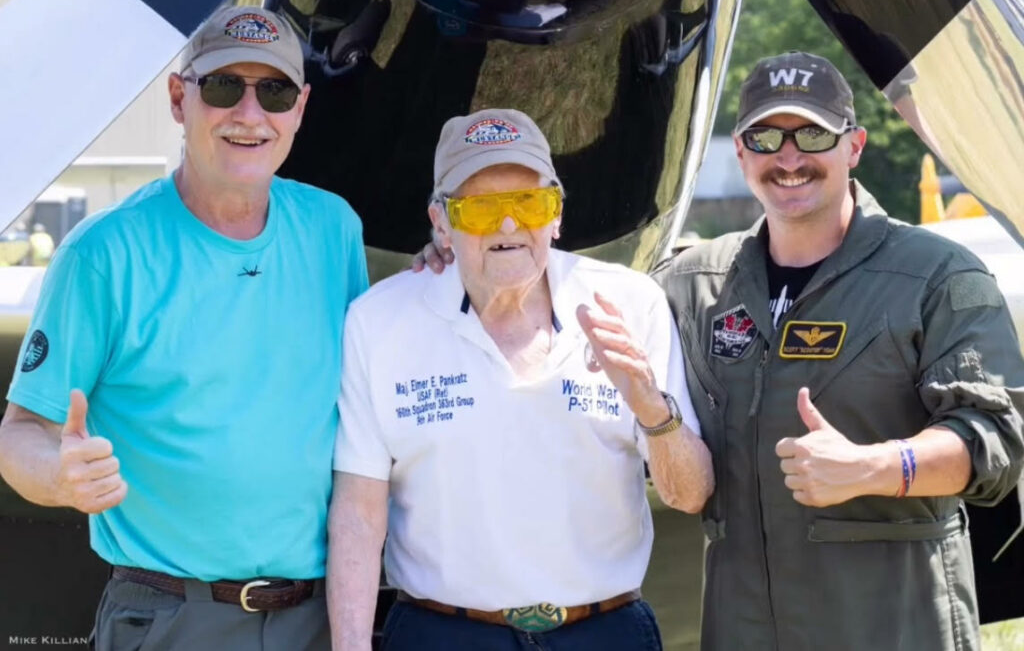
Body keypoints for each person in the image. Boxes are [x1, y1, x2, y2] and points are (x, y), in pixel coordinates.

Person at [0, 6, 368, 651]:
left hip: (319, 614)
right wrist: (60, 477)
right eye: (225, 87)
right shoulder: (102, 254)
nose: (250, 115)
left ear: (301, 107)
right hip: (173, 615)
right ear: (179, 97)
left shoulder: (334, 229)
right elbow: (21, 434)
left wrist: (446, 266)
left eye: (275, 92)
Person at [652, 51, 1024, 651]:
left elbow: (995, 440)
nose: (789, 157)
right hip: (745, 630)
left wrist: (877, 466)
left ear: (854, 146)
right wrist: (447, 258)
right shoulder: (692, 284)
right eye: (767, 136)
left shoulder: (938, 276)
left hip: (895, 628)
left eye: (813, 134)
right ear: (742, 153)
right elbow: (564, 301)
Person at [327, 108, 714, 651]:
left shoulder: (631, 303)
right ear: (441, 221)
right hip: (445, 633)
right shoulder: (379, 320)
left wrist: (652, 407)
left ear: (556, 214)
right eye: (481, 211)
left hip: (603, 632)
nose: (509, 226)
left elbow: (690, 495)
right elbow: (358, 516)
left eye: (529, 204)